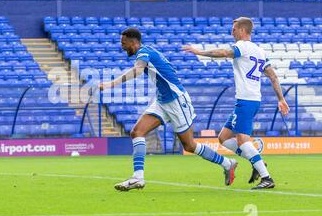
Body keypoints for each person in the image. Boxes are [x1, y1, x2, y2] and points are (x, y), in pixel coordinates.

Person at [99, 27, 238, 191]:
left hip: (177, 101)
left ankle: (228, 163)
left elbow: (137, 70)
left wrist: (110, 84)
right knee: (137, 132)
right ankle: (138, 178)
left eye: (123, 43)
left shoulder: (144, 52)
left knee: (189, 145)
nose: (122, 46)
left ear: (133, 41)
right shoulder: (147, 51)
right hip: (162, 100)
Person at [183, 17, 290, 189]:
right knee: (223, 138)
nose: (231, 32)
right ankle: (257, 163)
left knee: (242, 141)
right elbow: (272, 75)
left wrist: (199, 52)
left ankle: (266, 177)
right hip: (252, 100)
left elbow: (224, 53)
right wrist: (281, 99)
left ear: (242, 30)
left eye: (233, 29)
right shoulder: (260, 51)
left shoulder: (242, 46)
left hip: (246, 101)